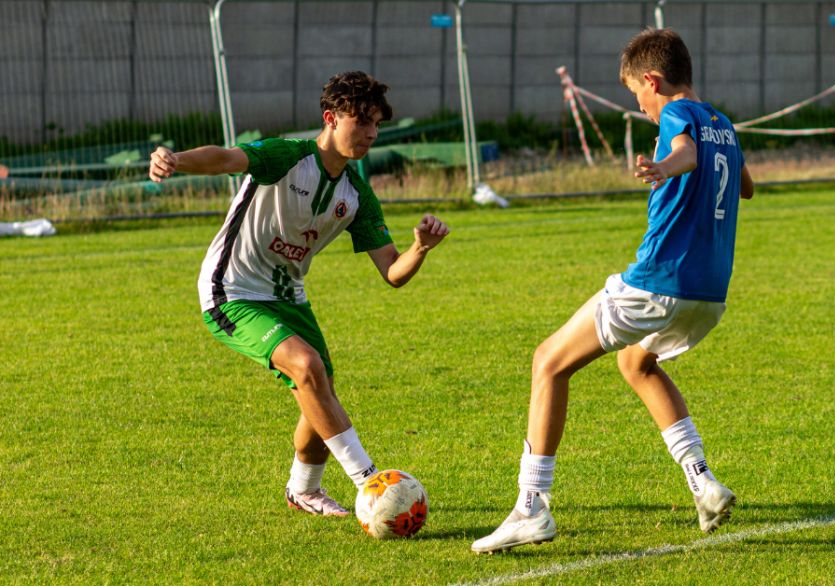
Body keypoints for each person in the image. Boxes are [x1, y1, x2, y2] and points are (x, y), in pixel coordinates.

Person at [471, 28, 754, 554]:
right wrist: (698, 166)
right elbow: (744, 183)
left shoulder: (679, 115)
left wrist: (663, 166)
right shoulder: (724, 124)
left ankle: (530, 507)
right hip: (710, 293)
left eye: (636, 95)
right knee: (637, 365)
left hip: (660, 282)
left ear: (653, 79)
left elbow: (685, 153)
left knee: (548, 361)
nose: (641, 106)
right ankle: (703, 482)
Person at [148, 71, 450, 518]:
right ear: (330, 118)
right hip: (231, 289)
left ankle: (303, 489)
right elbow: (224, 159)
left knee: (319, 385)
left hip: (289, 296)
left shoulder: (355, 194)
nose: (369, 134)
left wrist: (420, 249)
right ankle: (370, 484)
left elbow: (392, 272)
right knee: (307, 367)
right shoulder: (286, 156)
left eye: (376, 125)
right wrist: (176, 160)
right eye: (360, 122)